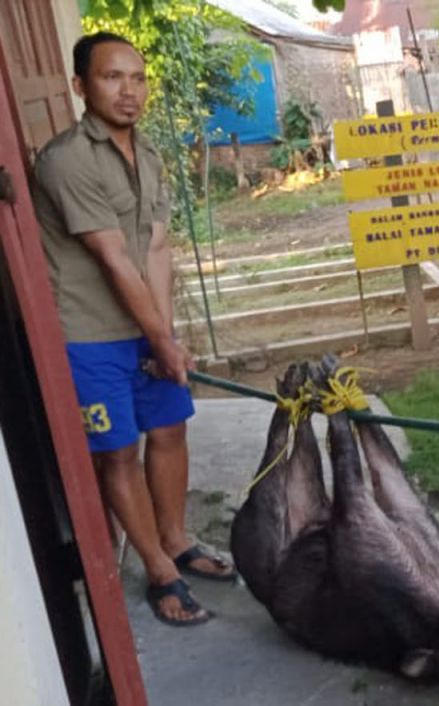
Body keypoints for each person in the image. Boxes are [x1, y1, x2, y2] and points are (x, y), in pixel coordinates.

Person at [31, 32, 235, 627]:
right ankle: (159, 570)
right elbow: (114, 258)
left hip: (143, 327)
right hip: (89, 334)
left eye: (139, 77)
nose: (130, 91)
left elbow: (156, 248)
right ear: (80, 87)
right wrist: (165, 343)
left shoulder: (146, 154)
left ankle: (176, 539)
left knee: (170, 429)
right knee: (119, 452)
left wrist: (162, 336)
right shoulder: (66, 159)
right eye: (112, 77)